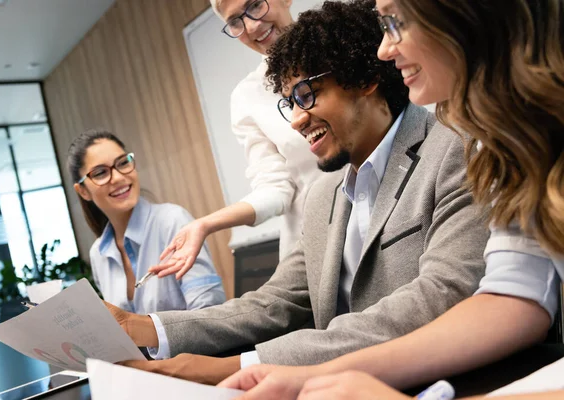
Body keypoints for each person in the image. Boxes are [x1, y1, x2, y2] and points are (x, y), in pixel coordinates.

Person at [107, 0, 488, 385]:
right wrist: (143, 326)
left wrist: (238, 367)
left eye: (306, 95)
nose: (295, 120)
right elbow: (273, 303)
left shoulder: (455, 149)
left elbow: (440, 297)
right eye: (289, 102)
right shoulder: (324, 195)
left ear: (364, 78)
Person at [218, 0, 564, 398]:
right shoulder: (506, 141)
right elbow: (512, 301)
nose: (381, 50)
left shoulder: (459, 148)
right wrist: (316, 377)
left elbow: (455, 294)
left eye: (395, 21)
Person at [152, 0, 324, 279]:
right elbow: (275, 188)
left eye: (255, 5)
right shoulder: (248, 96)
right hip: (318, 244)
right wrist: (206, 224)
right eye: (235, 21)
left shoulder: (343, 44)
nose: (252, 26)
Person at [67, 129, 226, 317]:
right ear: (83, 191)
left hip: (194, 347)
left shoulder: (172, 221)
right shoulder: (98, 253)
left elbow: (210, 314)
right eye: (101, 173)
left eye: (123, 163)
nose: (118, 177)